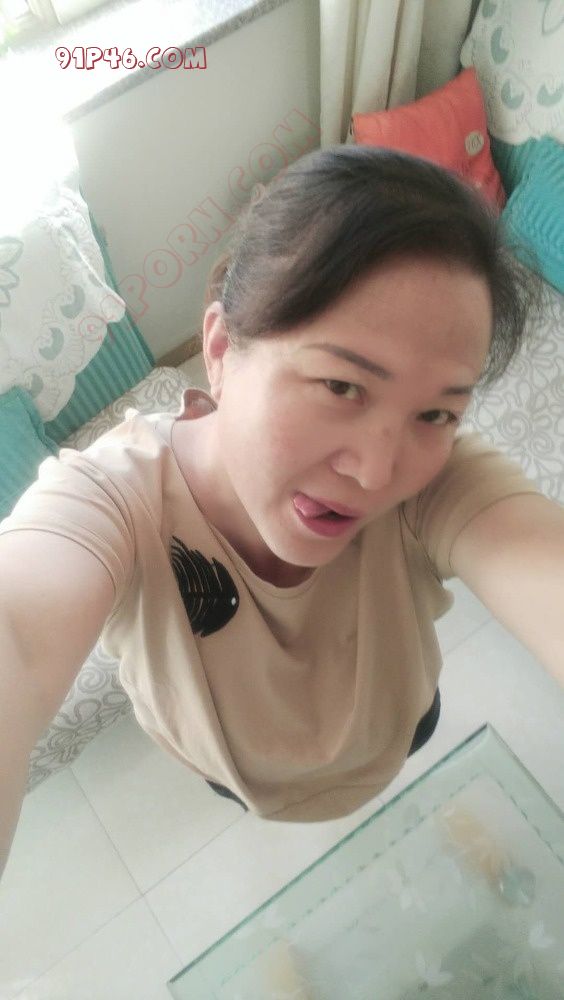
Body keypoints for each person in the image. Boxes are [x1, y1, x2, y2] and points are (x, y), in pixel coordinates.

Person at [1, 145, 563, 879]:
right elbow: (17, 632)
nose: (376, 473)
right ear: (221, 349)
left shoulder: (436, 482)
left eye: (435, 414)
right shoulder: (114, 500)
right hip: (229, 767)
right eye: (341, 386)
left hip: (399, 727)